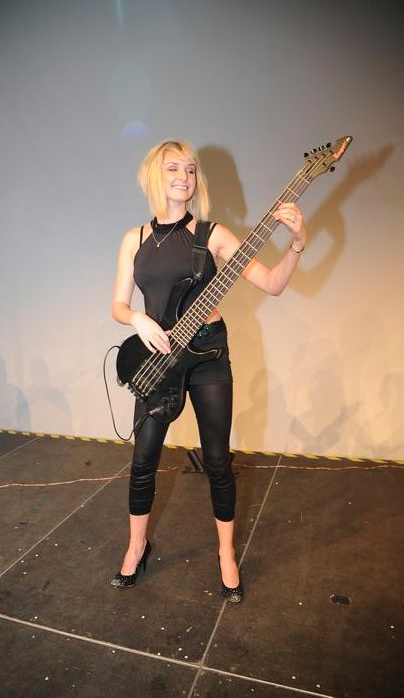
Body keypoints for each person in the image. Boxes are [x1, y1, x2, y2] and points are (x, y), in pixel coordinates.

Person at [110, 139, 306, 602]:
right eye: (173, 168)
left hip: (208, 357)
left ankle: (225, 553)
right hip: (159, 358)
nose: (184, 177)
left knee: (217, 461)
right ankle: (137, 546)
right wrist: (137, 318)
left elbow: (272, 284)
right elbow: (118, 305)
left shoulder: (212, 234)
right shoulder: (134, 239)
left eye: (191, 169)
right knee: (143, 460)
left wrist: (297, 243)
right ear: (154, 176)